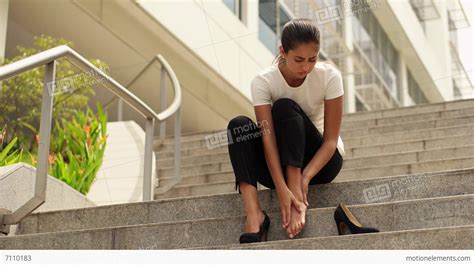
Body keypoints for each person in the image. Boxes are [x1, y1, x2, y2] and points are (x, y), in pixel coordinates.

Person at [227, 18, 345, 243]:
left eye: (313, 59)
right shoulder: (263, 81)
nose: (306, 67)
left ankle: (297, 197)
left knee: (284, 106)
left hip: (321, 162)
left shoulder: (330, 76)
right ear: (282, 51)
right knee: (238, 126)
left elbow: (330, 141)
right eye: (299, 59)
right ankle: (254, 214)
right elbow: (267, 139)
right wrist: (281, 188)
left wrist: (303, 179)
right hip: (278, 169)